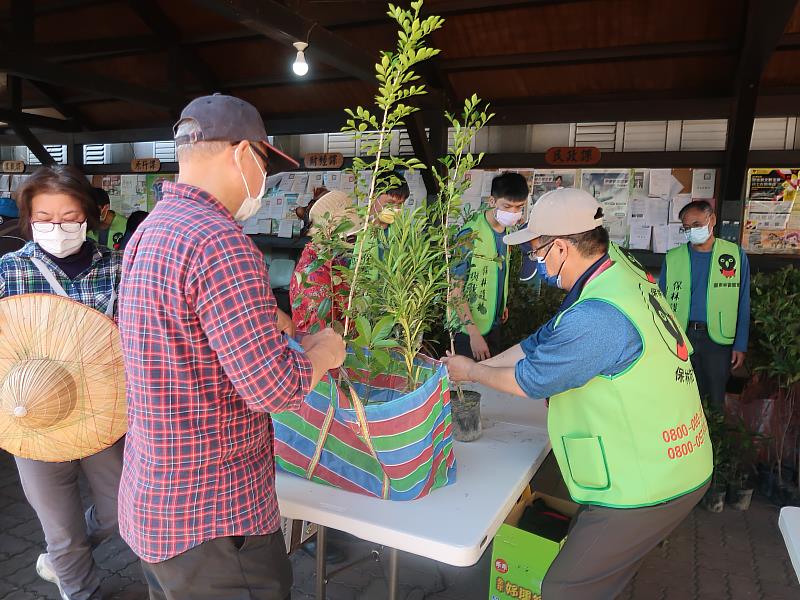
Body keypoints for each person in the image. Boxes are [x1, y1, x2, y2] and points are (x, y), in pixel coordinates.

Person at [117, 94, 346, 600]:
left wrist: (287, 341)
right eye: (264, 162)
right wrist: (323, 355)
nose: (265, 180)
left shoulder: (150, 231)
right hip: (216, 518)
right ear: (243, 153)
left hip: (155, 505)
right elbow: (273, 388)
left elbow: (189, 351)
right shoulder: (220, 241)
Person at [443, 187, 712, 599]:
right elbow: (540, 342)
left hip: (651, 480)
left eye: (537, 253)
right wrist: (482, 365)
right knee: (601, 576)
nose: (537, 263)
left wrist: (474, 372)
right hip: (673, 454)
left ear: (563, 248)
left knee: (565, 587)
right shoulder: (615, 273)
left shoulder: (598, 317)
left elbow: (530, 380)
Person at [0, 165, 124, 600]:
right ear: (28, 218)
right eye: (44, 218)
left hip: (103, 412)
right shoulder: (8, 270)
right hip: (32, 415)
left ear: (89, 215)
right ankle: (77, 585)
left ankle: (64, 558)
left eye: (68, 216)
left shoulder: (118, 267)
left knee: (120, 510)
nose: (57, 227)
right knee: (59, 527)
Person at [659, 200, 750, 406]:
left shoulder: (734, 255)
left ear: (713, 220)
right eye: (687, 228)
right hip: (682, 337)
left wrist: (740, 344)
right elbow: (661, 304)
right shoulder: (673, 258)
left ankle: (715, 438)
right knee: (683, 397)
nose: (692, 231)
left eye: (697, 225)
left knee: (715, 398)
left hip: (718, 340)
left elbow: (743, 301)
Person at [453, 172, 528, 360]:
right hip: (468, 330)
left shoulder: (508, 232)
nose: (513, 213)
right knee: (470, 385)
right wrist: (473, 334)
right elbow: (454, 292)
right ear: (492, 201)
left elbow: (499, 271)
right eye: (507, 206)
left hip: (494, 322)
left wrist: (501, 302)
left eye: (519, 207)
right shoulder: (470, 234)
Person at [290, 189, 362, 334]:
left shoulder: (333, 260)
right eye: (350, 237)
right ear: (330, 235)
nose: (354, 241)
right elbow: (320, 338)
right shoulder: (314, 275)